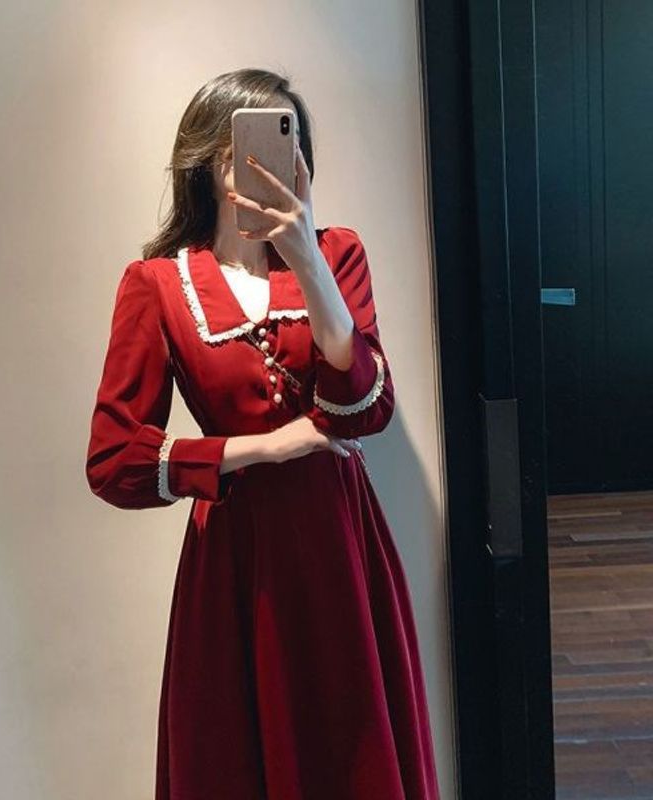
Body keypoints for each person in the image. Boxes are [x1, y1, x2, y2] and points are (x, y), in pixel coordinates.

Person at [85, 68, 441, 800]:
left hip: (342, 544)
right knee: (239, 750)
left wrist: (304, 254)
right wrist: (266, 447)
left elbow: (364, 409)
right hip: (236, 559)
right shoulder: (157, 285)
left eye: (286, 138)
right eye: (246, 140)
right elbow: (114, 460)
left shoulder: (336, 255)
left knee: (352, 743)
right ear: (209, 156)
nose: (266, 158)